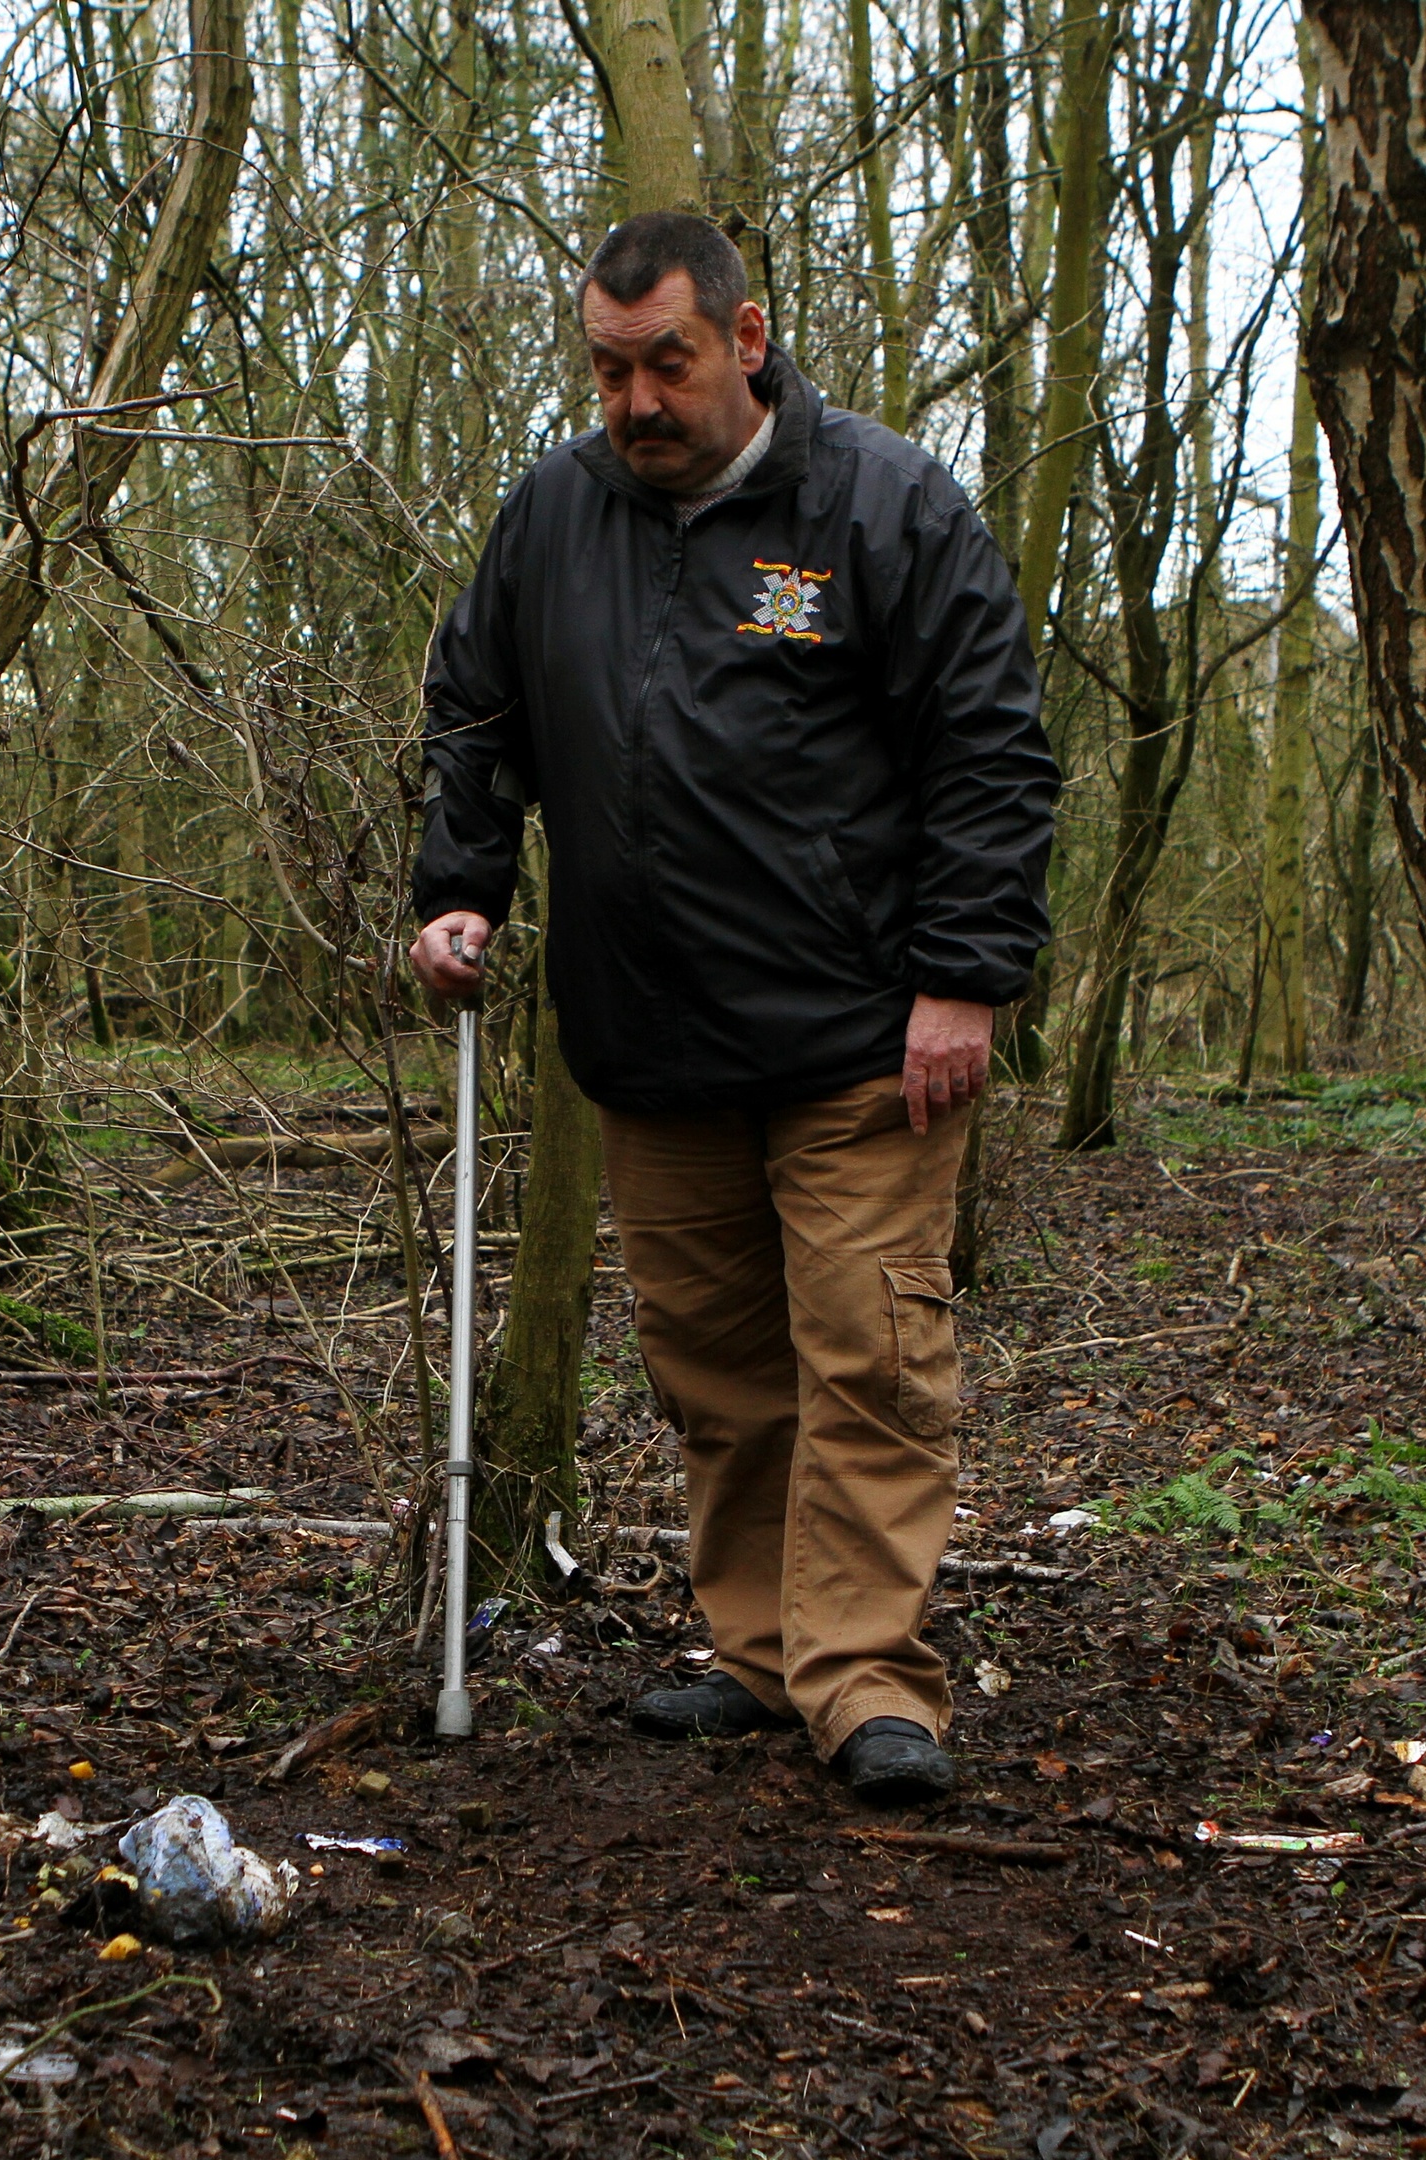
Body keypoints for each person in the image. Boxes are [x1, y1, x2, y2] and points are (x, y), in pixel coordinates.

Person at [408, 212, 1057, 1804]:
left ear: (747, 340)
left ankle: (868, 1683)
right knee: (716, 1368)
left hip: (860, 1038)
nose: (636, 401)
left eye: (667, 364)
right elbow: (475, 708)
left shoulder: (883, 506)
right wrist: (462, 879)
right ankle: (764, 1652)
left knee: (870, 1358)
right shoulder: (554, 514)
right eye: (610, 369)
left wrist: (966, 979)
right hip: (650, 1043)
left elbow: (992, 753)